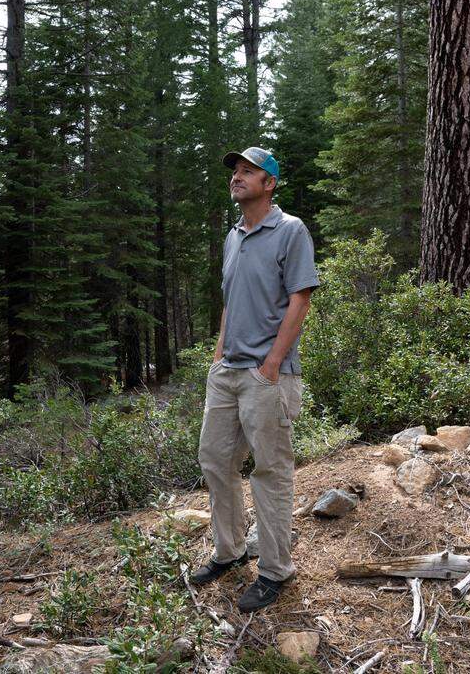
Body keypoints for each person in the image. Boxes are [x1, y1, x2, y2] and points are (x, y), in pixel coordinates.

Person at [190, 146, 319, 612]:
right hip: (227, 373)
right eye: (236, 172)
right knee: (215, 462)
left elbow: (299, 299)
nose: (238, 178)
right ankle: (229, 551)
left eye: (249, 172)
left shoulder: (290, 230)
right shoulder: (233, 236)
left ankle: (274, 570)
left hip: (268, 376)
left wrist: (271, 364)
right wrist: (219, 355)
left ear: (270, 183)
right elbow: (229, 301)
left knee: (270, 469)